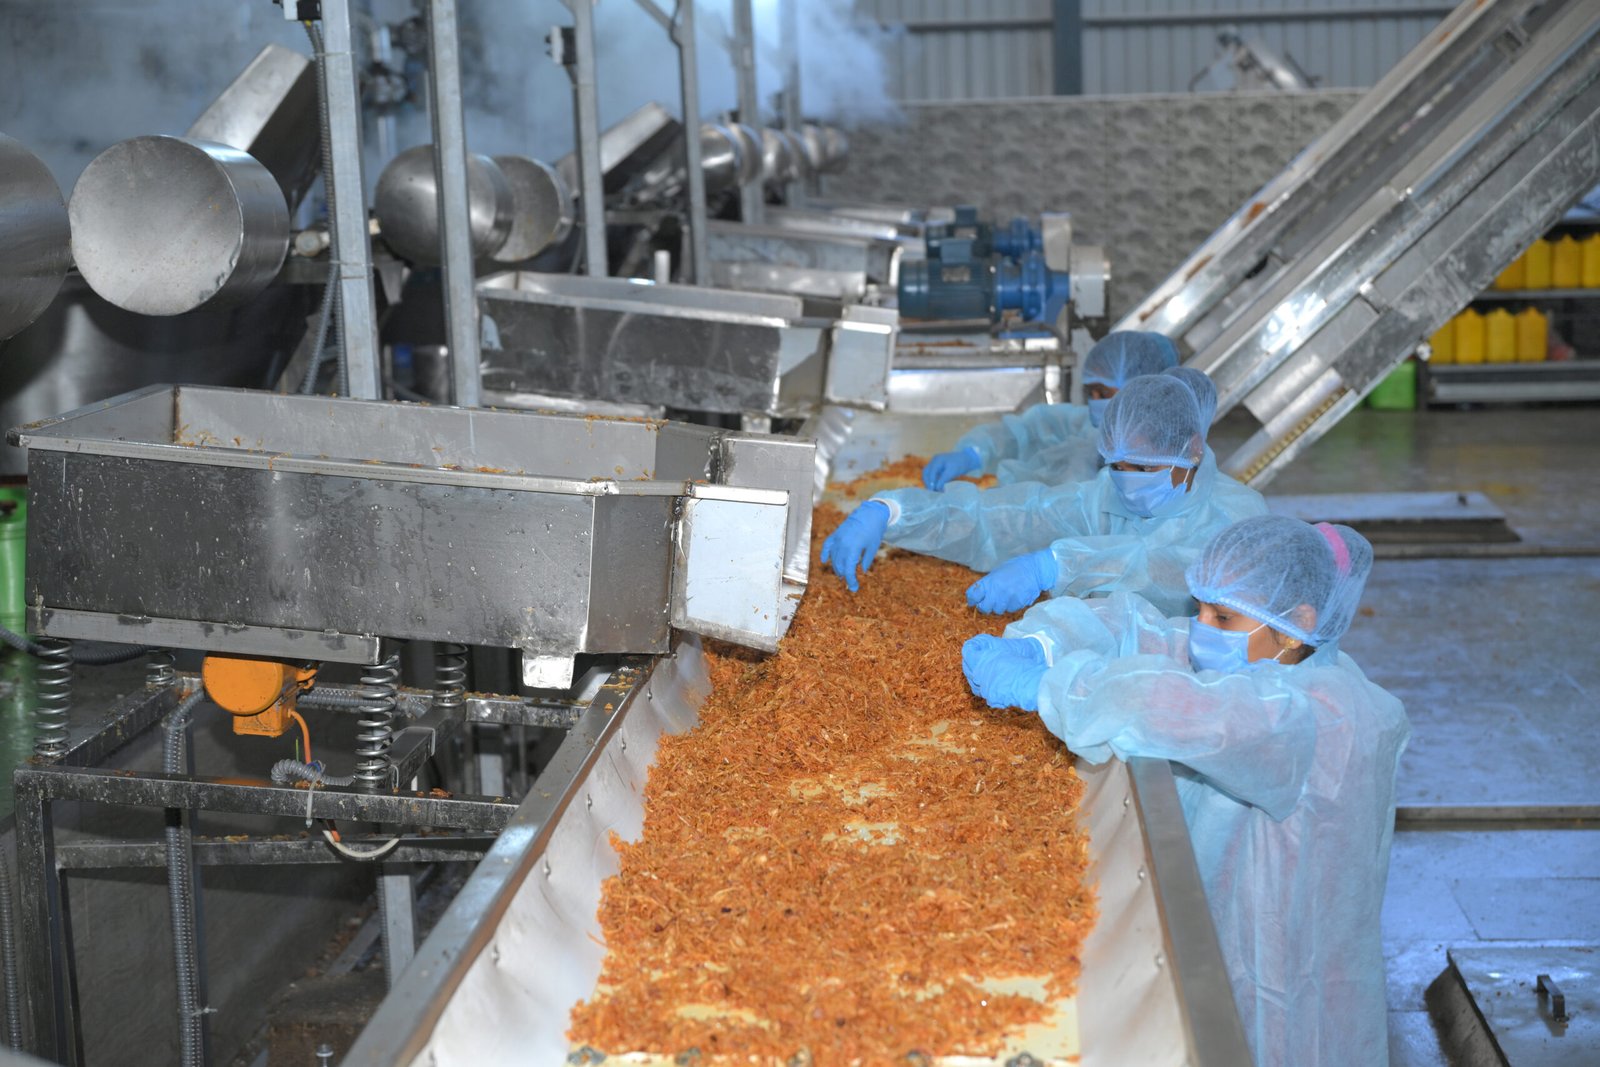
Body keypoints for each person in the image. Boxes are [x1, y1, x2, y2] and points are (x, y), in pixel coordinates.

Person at [961, 515, 1411, 1067]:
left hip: (1287, 973)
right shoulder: (1259, 656)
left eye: (1222, 617)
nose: (1200, 628)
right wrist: (1045, 642)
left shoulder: (1321, 717)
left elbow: (1189, 710)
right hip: (1226, 932)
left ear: (1296, 625)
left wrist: (1054, 689)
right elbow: (1140, 630)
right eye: (1200, 607)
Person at [821, 373, 1266, 617]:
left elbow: (1163, 571)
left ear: (1192, 449)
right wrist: (894, 511)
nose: (1129, 481)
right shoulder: (1106, 497)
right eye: (1117, 465)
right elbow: (1014, 516)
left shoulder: (1241, 518)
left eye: (1145, 468)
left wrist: (1057, 566)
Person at [920, 331, 1179, 490]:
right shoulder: (1087, 430)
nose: (1095, 402)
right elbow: (1029, 430)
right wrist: (973, 454)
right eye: (1090, 393)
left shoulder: (1168, 470)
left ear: (1140, 388)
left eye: (1103, 393)